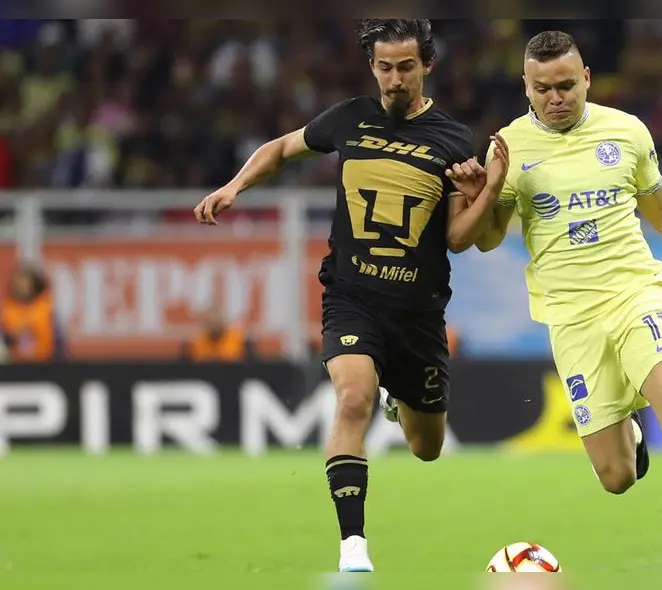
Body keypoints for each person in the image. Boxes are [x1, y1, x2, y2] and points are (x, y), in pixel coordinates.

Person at [193, 19, 510, 573]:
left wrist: (489, 189)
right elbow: (281, 149)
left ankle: (398, 398)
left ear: (427, 66)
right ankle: (353, 546)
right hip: (351, 296)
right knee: (352, 399)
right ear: (372, 67)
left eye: (406, 67)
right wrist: (234, 186)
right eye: (385, 67)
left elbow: (462, 239)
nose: (394, 79)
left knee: (427, 447)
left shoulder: (455, 139)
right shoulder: (349, 118)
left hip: (417, 313)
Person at [451, 31, 662, 573]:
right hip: (571, 319)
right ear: (526, 87)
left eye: (567, 85)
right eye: (543, 89)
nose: (556, 98)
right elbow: (487, 240)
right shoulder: (509, 147)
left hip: (635, 294)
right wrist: (487, 189)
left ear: (587, 78)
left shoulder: (627, 131)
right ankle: (630, 432)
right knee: (617, 477)